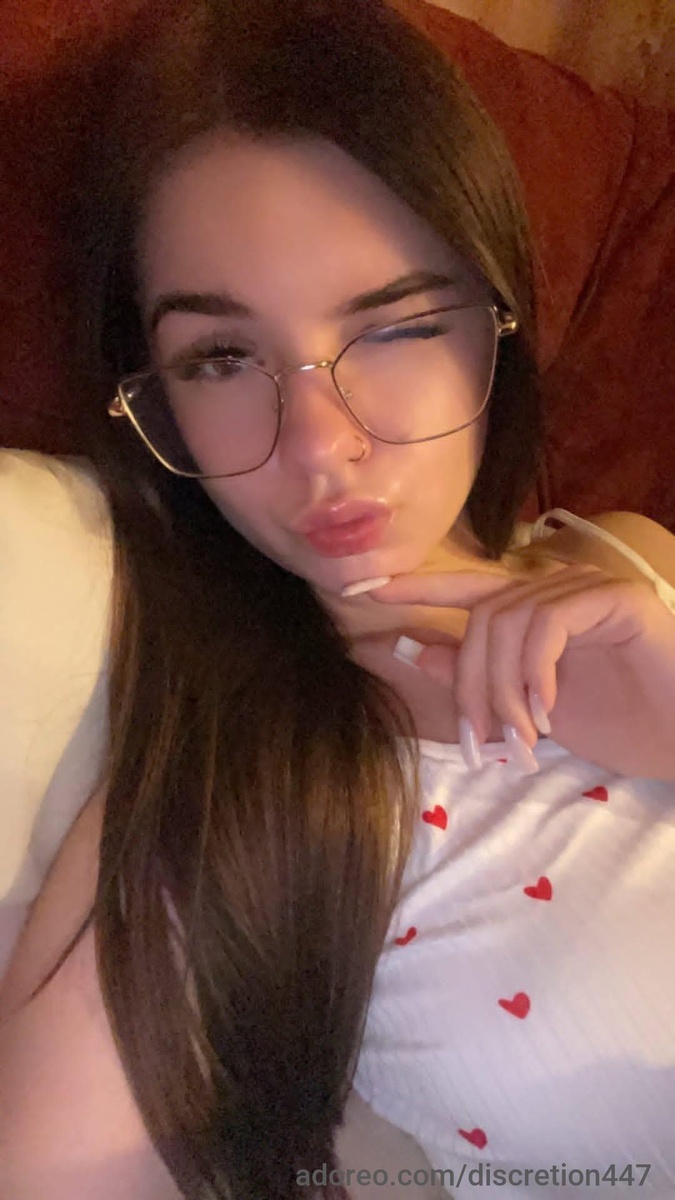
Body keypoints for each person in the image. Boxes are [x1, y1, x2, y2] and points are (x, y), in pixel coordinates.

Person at [1, 0, 674, 1197]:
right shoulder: (243, 777)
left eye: (396, 327)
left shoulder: (627, 559)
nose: (321, 443)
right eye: (222, 358)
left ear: (497, 318)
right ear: (155, 396)